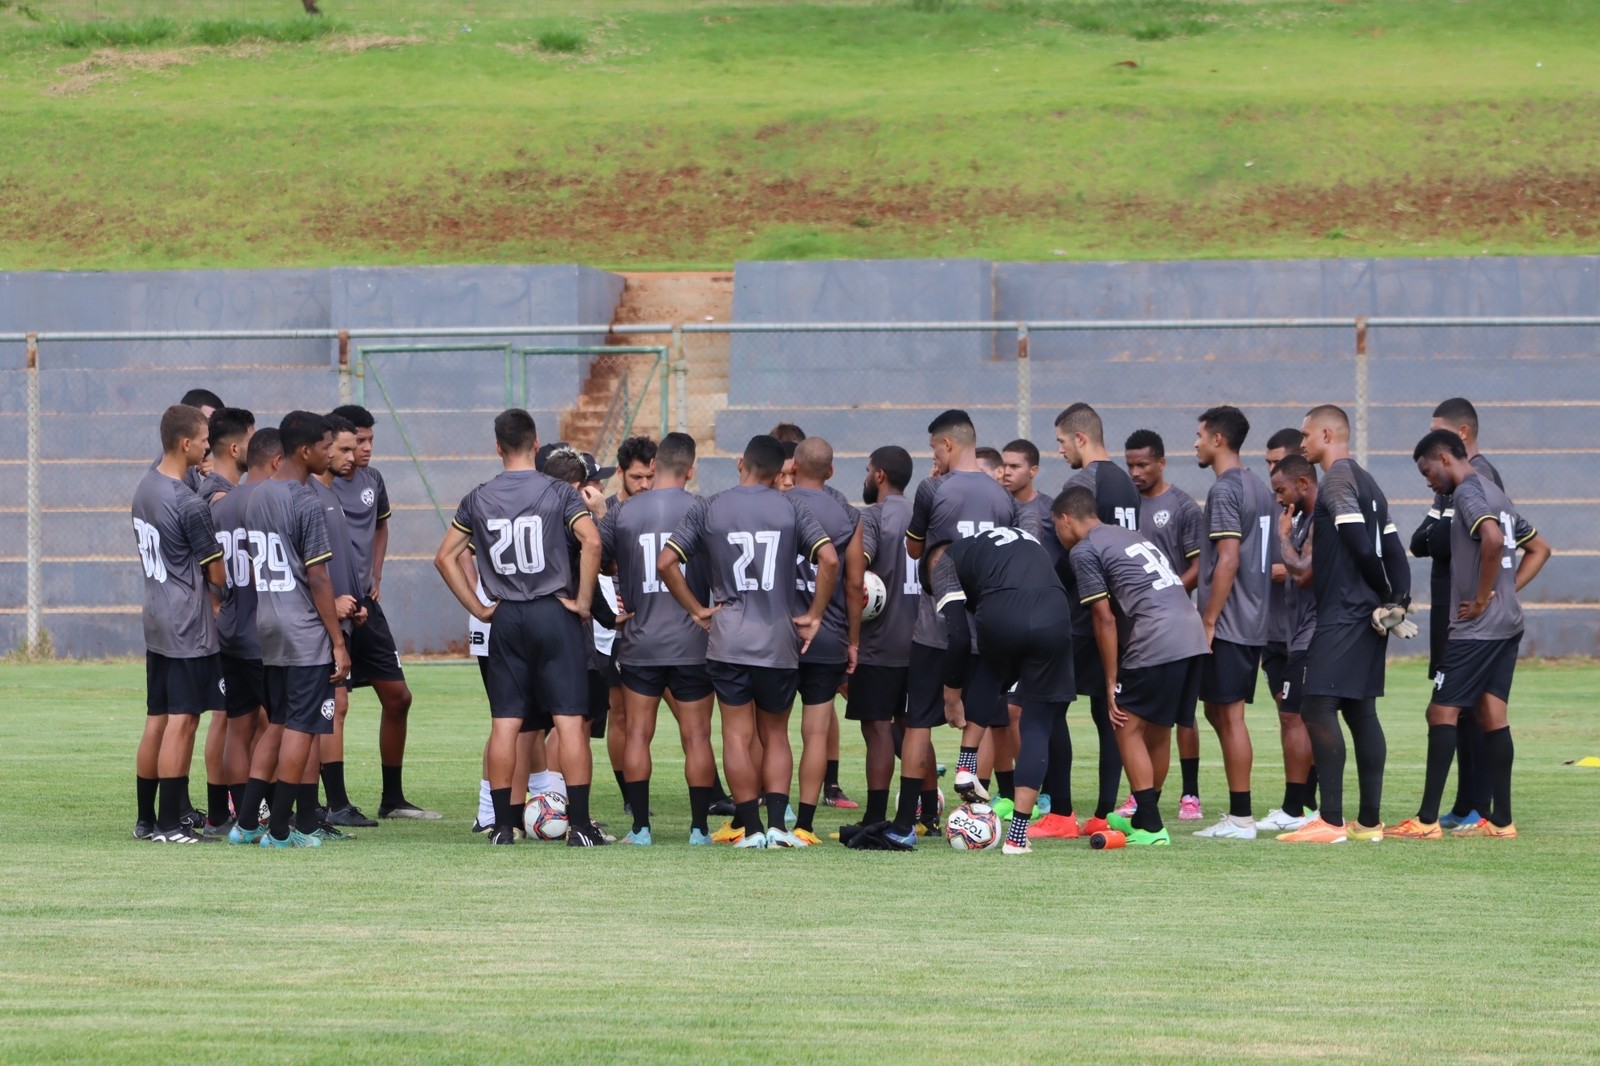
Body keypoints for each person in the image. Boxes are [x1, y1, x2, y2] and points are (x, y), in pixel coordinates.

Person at [657, 434, 838, 849]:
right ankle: (778, 827)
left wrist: (696, 610)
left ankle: (751, 829)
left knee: (737, 736)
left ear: (741, 463)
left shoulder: (709, 506)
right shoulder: (793, 507)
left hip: (729, 639)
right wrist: (814, 615)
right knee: (776, 734)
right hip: (778, 639)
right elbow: (829, 559)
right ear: (781, 473)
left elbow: (666, 562)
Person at [435, 410, 604, 846]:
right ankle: (580, 827)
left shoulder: (478, 496)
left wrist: (479, 606)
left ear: (497, 446)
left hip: (507, 615)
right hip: (553, 611)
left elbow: (444, 557)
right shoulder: (557, 492)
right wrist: (584, 602)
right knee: (569, 721)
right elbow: (592, 540)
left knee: (506, 724)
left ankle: (502, 827)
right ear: (536, 442)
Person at [1389, 431, 1549, 840]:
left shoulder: (1467, 493)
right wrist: (1504, 592)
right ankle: (1502, 822)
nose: (1428, 481)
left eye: (1427, 471)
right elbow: (1540, 549)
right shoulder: (1497, 494)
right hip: (1508, 624)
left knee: (1440, 712)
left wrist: (1480, 599)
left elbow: (1493, 539)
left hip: (1476, 629)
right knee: (1492, 715)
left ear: (1444, 458)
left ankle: (1426, 821)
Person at [1278, 405, 1412, 844]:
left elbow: (1361, 546)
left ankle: (1331, 821)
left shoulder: (1337, 480)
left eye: (1306, 435)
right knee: (1359, 710)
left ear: (1327, 434)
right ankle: (1369, 823)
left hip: (1344, 613)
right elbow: (1394, 548)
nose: (1301, 443)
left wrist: (1386, 594)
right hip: (1368, 613)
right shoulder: (1369, 482)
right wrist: (1398, 599)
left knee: (1316, 705)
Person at [1056, 486, 1209, 847]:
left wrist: (1111, 680)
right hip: (1191, 633)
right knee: (1158, 730)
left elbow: (1104, 619)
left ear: (1065, 520)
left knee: (1125, 725)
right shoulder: (1128, 535)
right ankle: (1143, 816)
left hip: (1156, 636)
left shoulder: (1084, 549)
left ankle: (1152, 827)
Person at [904, 410, 1023, 843]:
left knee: (918, 721)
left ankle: (904, 822)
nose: (934, 457)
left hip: (936, 626)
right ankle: (977, 813)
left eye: (934, 448)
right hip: (986, 626)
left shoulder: (933, 487)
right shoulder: (1003, 497)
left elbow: (915, 550)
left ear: (948, 444)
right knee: (983, 718)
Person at [235, 411, 351, 848]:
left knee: (279, 722)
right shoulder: (306, 501)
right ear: (304, 451)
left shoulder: (257, 495)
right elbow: (318, 577)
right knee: (302, 727)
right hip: (302, 627)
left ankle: (247, 823)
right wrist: (338, 641)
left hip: (268, 623)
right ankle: (282, 830)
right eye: (325, 446)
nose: (329, 453)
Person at [924, 523, 1075, 855]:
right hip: (1054, 612)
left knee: (991, 671)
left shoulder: (944, 562)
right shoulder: (1005, 541)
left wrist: (951, 696)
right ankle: (1017, 837)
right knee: (1037, 723)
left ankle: (966, 767)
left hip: (1002, 611)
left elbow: (958, 636)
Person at [600, 433, 718, 845]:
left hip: (641, 640)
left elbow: (595, 558)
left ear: (654, 467)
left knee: (637, 734)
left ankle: (640, 829)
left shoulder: (623, 511)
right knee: (697, 737)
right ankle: (699, 829)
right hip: (693, 641)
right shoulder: (704, 509)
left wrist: (614, 597)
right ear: (691, 469)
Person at [329, 404, 436, 819]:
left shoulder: (373, 480)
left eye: (370, 440)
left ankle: (392, 799)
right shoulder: (318, 487)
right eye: (358, 441)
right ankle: (334, 803)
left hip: (365, 606)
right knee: (335, 705)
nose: (365, 448)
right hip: (329, 609)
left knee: (398, 697)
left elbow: (381, 525)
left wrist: (376, 573)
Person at [1408, 397, 1507, 831]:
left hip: (1470, 614)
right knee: (1466, 708)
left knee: (1460, 707)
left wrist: (1486, 597)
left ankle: (1474, 806)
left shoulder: (1476, 480)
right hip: (1454, 609)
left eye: (1439, 434)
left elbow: (1472, 540)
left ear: (1460, 435)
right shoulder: (1451, 486)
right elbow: (1420, 541)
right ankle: (1475, 806)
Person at [131, 404, 227, 843]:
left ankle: (146, 820)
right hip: (186, 622)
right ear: (186, 443)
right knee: (183, 720)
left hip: (156, 616)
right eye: (205, 440)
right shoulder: (188, 503)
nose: (209, 447)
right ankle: (171, 824)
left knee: (157, 717)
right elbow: (216, 572)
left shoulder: (145, 487)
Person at [1051, 402, 1140, 837]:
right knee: (1110, 714)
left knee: (1048, 706)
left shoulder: (1082, 481)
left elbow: (1070, 550)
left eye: (1062, 441)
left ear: (1081, 438)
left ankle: (1060, 813)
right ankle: (1104, 810)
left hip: (1084, 611)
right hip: (1121, 613)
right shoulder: (1127, 483)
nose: (1061, 450)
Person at [1191, 405, 1275, 840]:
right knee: (1218, 711)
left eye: (1200, 435)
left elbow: (1228, 559)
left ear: (1218, 439)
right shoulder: (1258, 486)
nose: (1196, 443)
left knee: (1230, 715)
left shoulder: (1225, 490)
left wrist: (1208, 620)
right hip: (1251, 617)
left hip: (1230, 620)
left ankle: (1242, 818)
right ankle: (1239, 815)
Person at [1123, 427, 1205, 821]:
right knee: (1140, 716)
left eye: (1142, 464)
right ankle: (1140, 795)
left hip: (1172, 626)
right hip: (1135, 625)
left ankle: (1190, 794)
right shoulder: (1125, 505)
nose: (1135, 472)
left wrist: (1164, 594)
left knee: (1180, 716)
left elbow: (1199, 566)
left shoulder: (1182, 506)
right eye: (1130, 465)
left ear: (1161, 462)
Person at [786, 437, 863, 844]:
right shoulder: (848, 515)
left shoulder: (777, 504)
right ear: (831, 471)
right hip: (829, 636)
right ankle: (804, 823)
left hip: (778, 636)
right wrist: (853, 641)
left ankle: (774, 814)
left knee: (771, 731)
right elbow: (854, 585)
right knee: (815, 733)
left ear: (793, 467)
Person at [208, 427, 282, 835]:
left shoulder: (221, 505)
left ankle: (242, 813)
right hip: (263, 631)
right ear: (276, 462)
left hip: (230, 627)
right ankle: (271, 812)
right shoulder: (269, 501)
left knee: (238, 727)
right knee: (282, 723)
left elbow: (211, 570)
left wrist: (220, 608)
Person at [842, 446, 918, 832]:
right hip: (922, 641)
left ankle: (875, 816)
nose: (866, 476)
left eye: (868, 469)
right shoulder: (924, 513)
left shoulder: (872, 517)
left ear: (880, 476)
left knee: (878, 728)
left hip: (880, 643)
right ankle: (927, 813)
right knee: (915, 727)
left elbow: (860, 578)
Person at [311, 415, 371, 835]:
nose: (351, 456)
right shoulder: (310, 496)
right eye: (343, 449)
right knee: (326, 708)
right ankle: (324, 803)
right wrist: (331, 606)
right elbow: (307, 569)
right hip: (317, 623)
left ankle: (331, 802)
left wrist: (353, 602)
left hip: (341, 616)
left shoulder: (330, 493)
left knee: (336, 706)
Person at [1263, 454, 1319, 831]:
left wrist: (1284, 536)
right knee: (1301, 716)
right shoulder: (1303, 517)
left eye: (1280, 488)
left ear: (1301, 481)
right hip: (1294, 632)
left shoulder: (1316, 518)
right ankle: (1307, 806)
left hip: (1313, 633)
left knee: (1294, 715)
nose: (1278, 497)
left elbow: (1301, 573)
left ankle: (1297, 808)